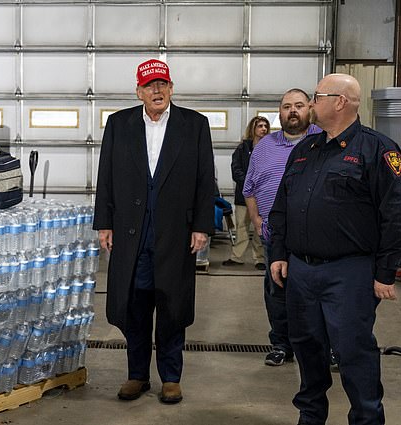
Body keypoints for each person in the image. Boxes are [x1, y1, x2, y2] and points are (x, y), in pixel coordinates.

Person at [269, 73, 401, 425]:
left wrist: (385, 273)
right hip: (301, 272)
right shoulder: (306, 149)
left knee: (353, 352)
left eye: (317, 96)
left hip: (349, 273)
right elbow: (283, 207)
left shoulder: (378, 149)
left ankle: (366, 418)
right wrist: (277, 254)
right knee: (307, 347)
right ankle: (311, 416)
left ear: (340, 102)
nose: (311, 103)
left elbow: (395, 216)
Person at [93, 59, 215, 404]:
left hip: (175, 232)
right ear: (139, 91)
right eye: (149, 86)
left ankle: (171, 378)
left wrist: (202, 226)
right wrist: (104, 222)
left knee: (172, 305)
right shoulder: (119, 124)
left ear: (172, 88)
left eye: (162, 84)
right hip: (132, 232)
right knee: (134, 305)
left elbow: (206, 178)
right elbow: (106, 177)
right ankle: (137, 375)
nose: (156, 91)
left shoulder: (194, 125)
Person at [242, 89, 321, 366]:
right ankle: (281, 344)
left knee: (315, 294)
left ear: (309, 108)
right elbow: (249, 188)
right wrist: (256, 220)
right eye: (287, 106)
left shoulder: (322, 141)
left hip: (312, 238)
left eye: (299, 105)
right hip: (273, 236)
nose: (293, 111)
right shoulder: (265, 146)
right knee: (276, 291)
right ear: (280, 112)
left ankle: (324, 347)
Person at [222, 116, 269, 270]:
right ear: (253, 129)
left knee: (259, 228)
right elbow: (236, 171)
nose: (263, 129)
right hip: (243, 196)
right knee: (241, 226)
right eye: (260, 126)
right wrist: (250, 184)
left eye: (265, 126)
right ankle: (237, 257)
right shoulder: (242, 149)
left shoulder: (270, 149)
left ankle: (260, 259)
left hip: (262, 197)